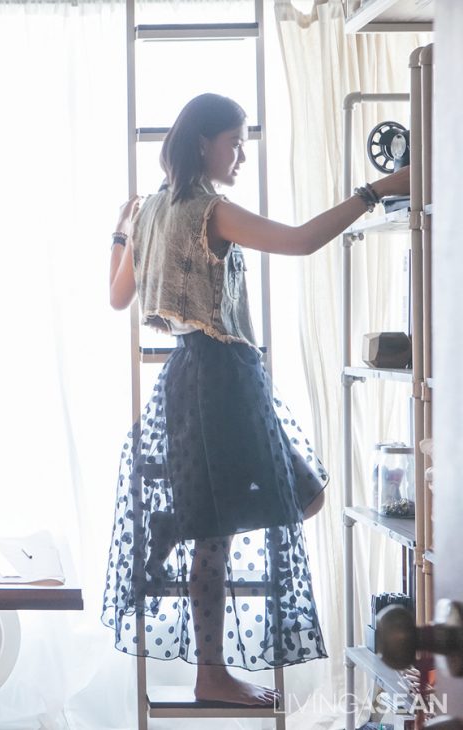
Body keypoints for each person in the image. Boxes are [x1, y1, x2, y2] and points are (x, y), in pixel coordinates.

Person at [101, 93, 410, 705]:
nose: (241, 153)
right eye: (234, 141)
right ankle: (211, 674)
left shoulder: (151, 209)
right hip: (222, 377)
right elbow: (298, 242)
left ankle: (171, 534)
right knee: (228, 527)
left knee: (301, 494)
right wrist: (374, 192)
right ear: (202, 144)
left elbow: (116, 297)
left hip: (191, 373)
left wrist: (120, 226)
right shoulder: (208, 209)